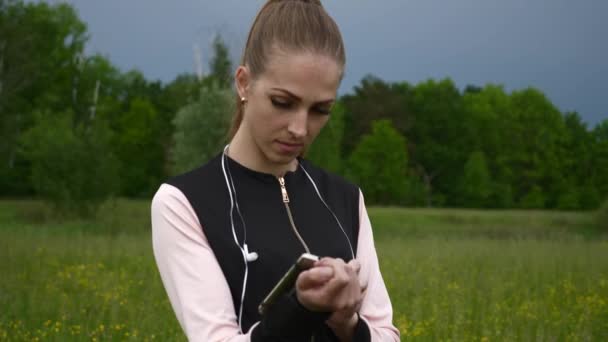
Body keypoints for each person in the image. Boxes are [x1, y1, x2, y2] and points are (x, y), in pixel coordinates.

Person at [151, 0, 400, 340]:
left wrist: (348, 324)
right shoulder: (184, 202)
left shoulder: (345, 198)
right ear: (243, 84)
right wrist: (300, 307)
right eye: (283, 102)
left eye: (320, 110)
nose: (300, 128)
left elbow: (387, 335)